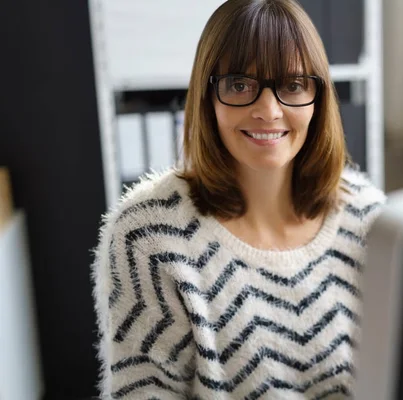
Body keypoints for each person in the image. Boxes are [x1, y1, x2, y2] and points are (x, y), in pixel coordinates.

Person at [92, 0, 386, 398]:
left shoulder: (368, 217)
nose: (268, 110)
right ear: (207, 96)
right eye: (239, 85)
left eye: (293, 85)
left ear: (319, 98)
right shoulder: (150, 234)